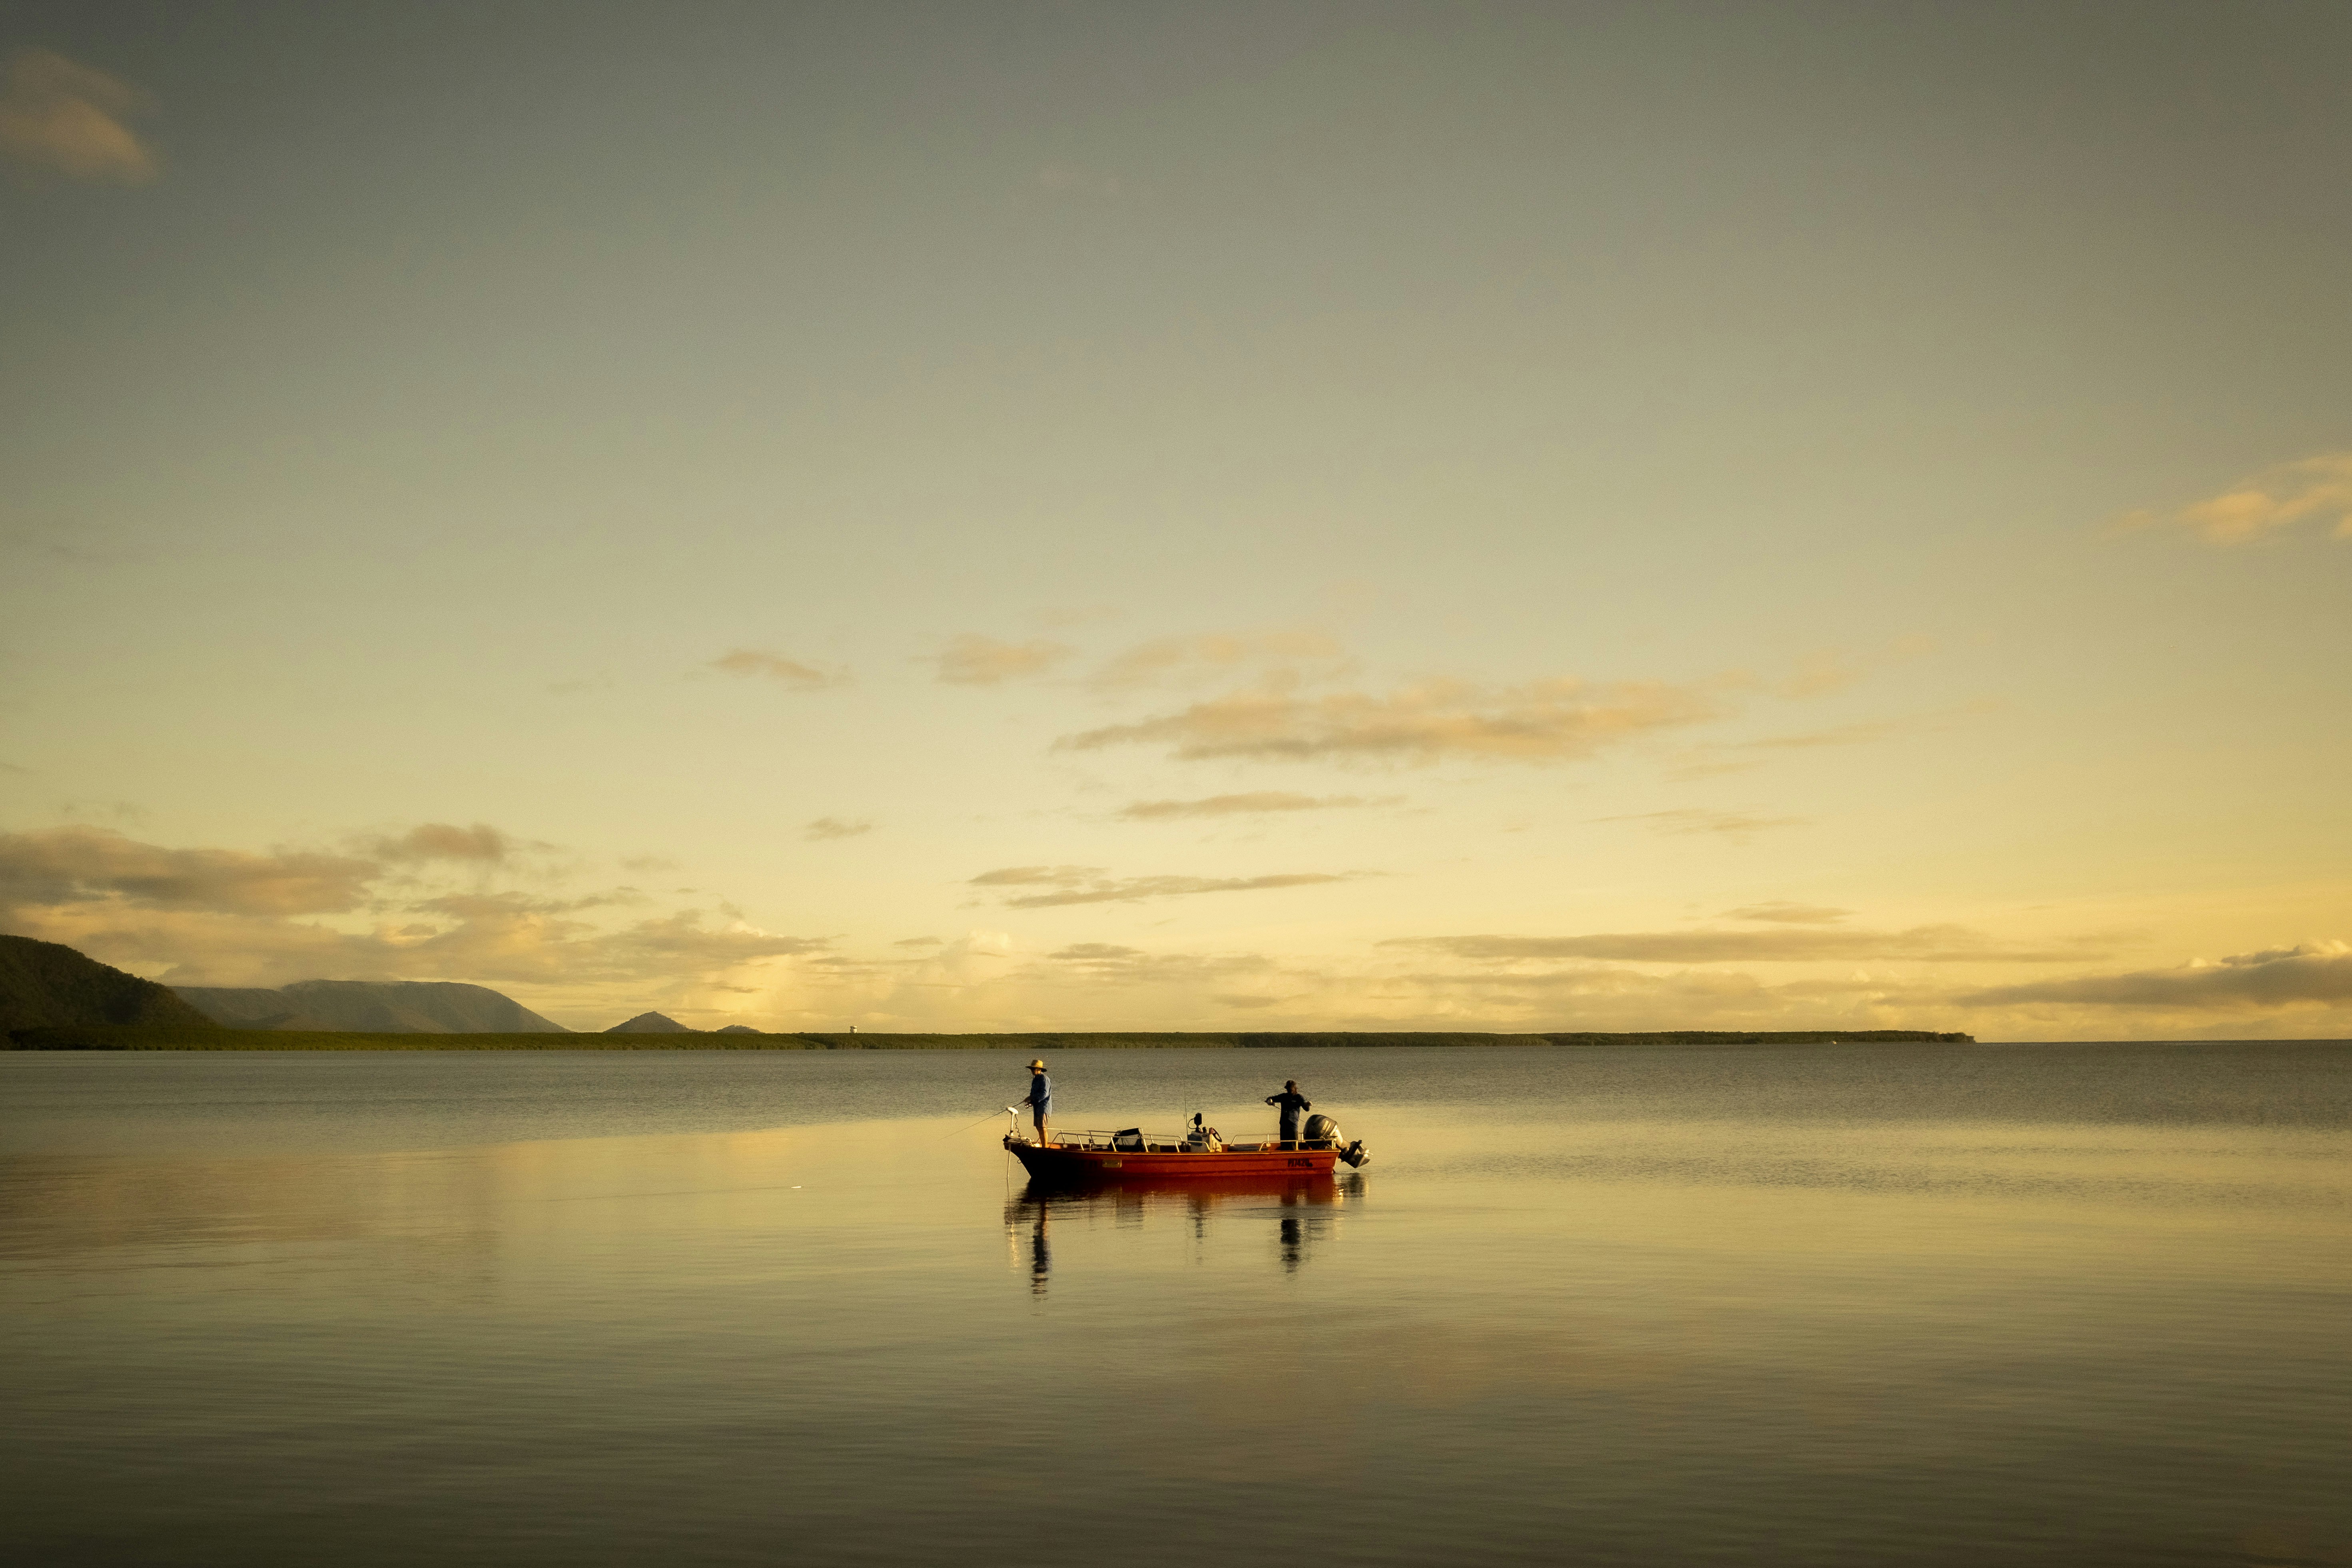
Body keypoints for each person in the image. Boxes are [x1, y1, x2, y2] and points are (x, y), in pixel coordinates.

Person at [1266, 1080, 1311, 1148]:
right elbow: (1271, 1098)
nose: (1290, 1090)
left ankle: (1294, 1156)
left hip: (1293, 1124)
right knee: (1284, 1144)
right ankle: (1285, 1156)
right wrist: (1270, 1101)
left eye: (1291, 1089)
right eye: (1288, 1089)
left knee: (1294, 1145)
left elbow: (1307, 1109)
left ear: (1295, 1089)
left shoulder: (1299, 1097)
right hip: (1284, 1124)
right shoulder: (1283, 1096)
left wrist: (1307, 1105)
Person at [1023, 1059, 1052, 1145]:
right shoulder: (1035, 1079)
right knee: (1038, 1127)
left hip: (1044, 1107)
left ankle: (1045, 1148)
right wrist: (1031, 1101)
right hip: (1037, 1107)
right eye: (1032, 1069)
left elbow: (1044, 1094)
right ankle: (1044, 1146)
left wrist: (1032, 1098)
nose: (1032, 1071)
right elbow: (1033, 1093)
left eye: (1034, 1069)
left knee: (1043, 1128)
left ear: (1039, 1070)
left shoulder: (1045, 1079)